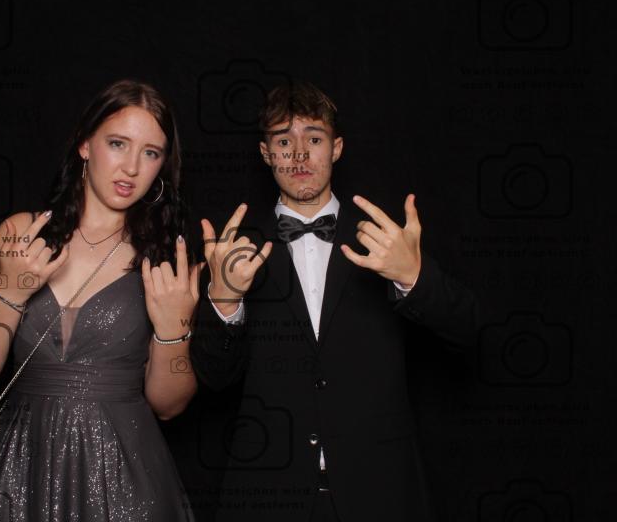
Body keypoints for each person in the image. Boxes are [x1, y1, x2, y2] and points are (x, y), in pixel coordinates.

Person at [187, 81, 481, 521]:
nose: (299, 154)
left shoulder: (385, 241)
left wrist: (414, 277)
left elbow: (469, 330)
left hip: (379, 493)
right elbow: (213, 378)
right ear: (266, 153)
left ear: (336, 148)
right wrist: (224, 302)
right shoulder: (235, 251)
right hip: (270, 498)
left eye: (314, 139)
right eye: (283, 141)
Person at [0, 79, 205, 521]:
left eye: (150, 153)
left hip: (126, 483)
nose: (131, 167)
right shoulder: (20, 234)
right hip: (23, 473)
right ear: (85, 144)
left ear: (162, 165)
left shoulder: (165, 256)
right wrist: (10, 292)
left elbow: (169, 407)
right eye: (117, 144)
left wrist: (172, 331)